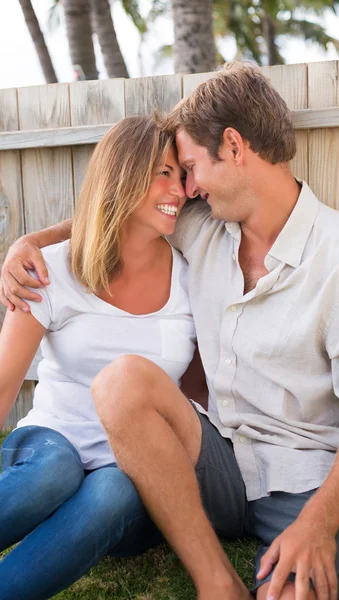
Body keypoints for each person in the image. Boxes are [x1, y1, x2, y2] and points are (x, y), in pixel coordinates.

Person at [2, 62, 339, 600]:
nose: (186, 187)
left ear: (234, 147)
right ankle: (217, 581)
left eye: (189, 167)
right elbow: (121, 206)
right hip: (222, 462)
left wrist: (319, 522)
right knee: (121, 382)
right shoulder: (206, 226)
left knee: (293, 591)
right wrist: (30, 241)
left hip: (307, 477)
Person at [0, 115, 203, 600]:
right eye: (162, 173)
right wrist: (26, 243)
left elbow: (197, 394)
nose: (179, 190)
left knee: (110, 491)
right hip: (51, 446)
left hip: (135, 479)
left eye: (181, 175)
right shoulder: (48, 270)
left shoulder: (193, 278)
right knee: (56, 473)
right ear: (123, 176)